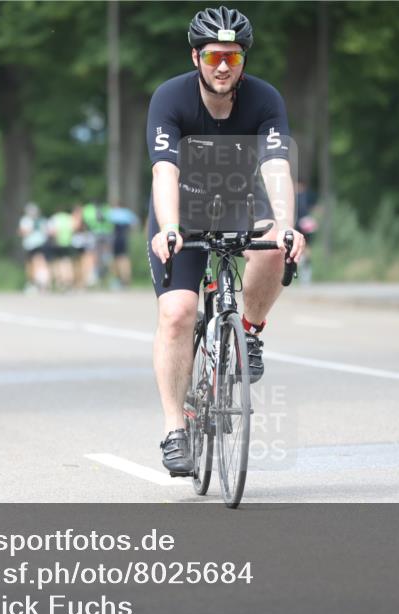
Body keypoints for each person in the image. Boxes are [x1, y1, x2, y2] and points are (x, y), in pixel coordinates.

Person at [146, 5, 305, 474]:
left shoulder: (265, 99)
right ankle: (176, 430)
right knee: (177, 313)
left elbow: (277, 166)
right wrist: (170, 228)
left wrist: (286, 223)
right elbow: (164, 170)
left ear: (243, 63)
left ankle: (249, 332)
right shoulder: (170, 98)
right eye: (214, 56)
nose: (222, 67)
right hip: (183, 210)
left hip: (240, 203)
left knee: (277, 242)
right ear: (196, 57)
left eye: (232, 59)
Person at [18, 203, 50, 293]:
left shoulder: (26, 220)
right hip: (41, 243)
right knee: (42, 263)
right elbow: (46, 232)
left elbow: (23, 232)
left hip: (31, 245)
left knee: (33, 264)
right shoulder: (42, 220)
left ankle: (36, 283)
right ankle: (43, 283)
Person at [108, 202, 139, 288]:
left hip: (115, 238)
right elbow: (135, 223)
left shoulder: (111, 213)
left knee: (115, 260)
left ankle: (117, 280)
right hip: (124, 238)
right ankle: (126, 280)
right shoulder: (127, 213)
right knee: (124, 259)